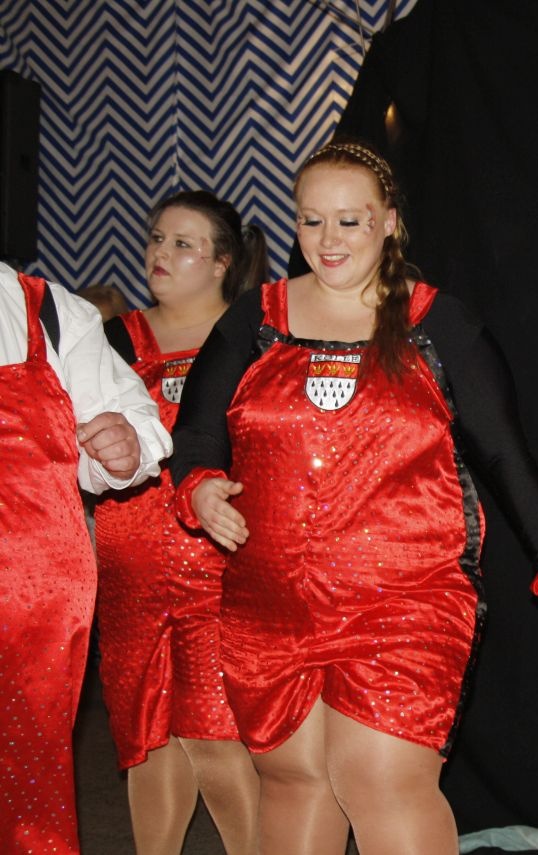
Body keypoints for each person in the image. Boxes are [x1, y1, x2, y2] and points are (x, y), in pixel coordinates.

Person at [169, 139, 538, 855]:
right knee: (293, 781)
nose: (328, 240)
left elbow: (503, 452)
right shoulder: (255, 316)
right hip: (270, 600)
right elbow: (196, 431)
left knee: (379, 780)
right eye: (311, 221)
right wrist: (202, 484)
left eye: (349, 221)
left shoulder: (439, 324)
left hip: (404, 597)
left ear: (389, 222)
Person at [93, 191, 268, 855]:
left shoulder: (252, 340)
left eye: (182, 244)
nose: (160, 253)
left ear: (222, 263)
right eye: (156, 238)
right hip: (128, 571)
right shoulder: (111, 339)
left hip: (219, 568)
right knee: (148, 740)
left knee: (216, 737)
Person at [0, 262, 170, 853]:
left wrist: (123, 444)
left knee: (25, 791)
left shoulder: (45, 309)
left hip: (29, 605)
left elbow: (134, 422)